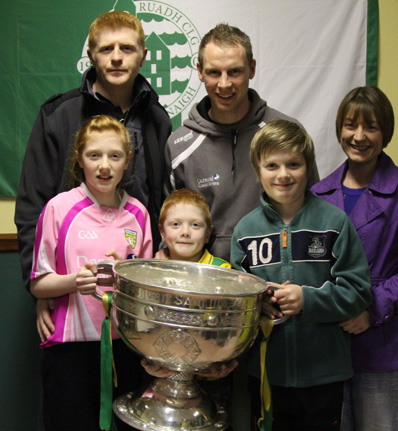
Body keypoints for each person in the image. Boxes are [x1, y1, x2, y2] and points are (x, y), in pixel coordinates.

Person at [14, 10, 171, 341]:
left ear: (143, 55)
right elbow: (33, 209)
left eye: (127, 48)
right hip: (71, 295)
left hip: (133, 300)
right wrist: (41, 290)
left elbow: (160, 203)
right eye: (106, 48)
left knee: (132, 391)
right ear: (90, 54)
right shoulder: (58, 116)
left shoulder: (157, 119)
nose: (116, 58)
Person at [311, 86, 398, 431]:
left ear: (385, 132)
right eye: (350, 125)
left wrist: (372, 308)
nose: (359, 136)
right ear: (339, 128)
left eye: (370, 127)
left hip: (382, 343)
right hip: (328, 346)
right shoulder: (318, 194)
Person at [230, 119, 372, 431]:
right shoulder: (244, 231)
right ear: (257, 171)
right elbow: (236, 300)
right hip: (266, 373)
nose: (283, 175)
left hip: (324, 375)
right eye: (272, 165)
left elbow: (359, 292)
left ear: (308, 168)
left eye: (293, 164)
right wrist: (259, 304)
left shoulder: (334, 222)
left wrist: (307, 299)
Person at [29, 115, 153, 431]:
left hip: (124, 347)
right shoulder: (59, 208)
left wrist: (126, 275)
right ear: (78, 158)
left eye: (114, 156)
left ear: (128, 161)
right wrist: (74, 281)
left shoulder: (138, 213)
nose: (104, 166)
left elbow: (146, 286)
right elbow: (39, 284)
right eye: (94, 155)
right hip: (71, 349)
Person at [164, 23, 319, 262]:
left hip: (277, 279)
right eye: (215, 72)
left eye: (234, 71)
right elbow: (170, 223)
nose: (224, 84)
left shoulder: (286, 133)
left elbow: (312, 210)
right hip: (207, 282)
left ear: (252, 68)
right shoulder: (180, 146)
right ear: (200, 71)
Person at [141, 188, 238, 418]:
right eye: (175, 225)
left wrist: (226, 360)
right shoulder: (151, 272)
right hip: (163, 373)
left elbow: (228, 327)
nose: (185, 232)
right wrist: (147, 360)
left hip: (210, 376)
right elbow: (146, 325)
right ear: (162, 232)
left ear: (208, 234)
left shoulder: (223, 273)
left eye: (195, 225)